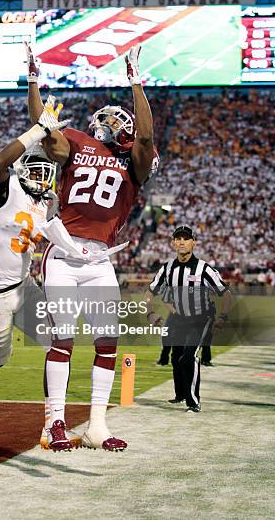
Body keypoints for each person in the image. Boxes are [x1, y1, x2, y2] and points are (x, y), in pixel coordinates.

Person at [25, 42, 158, 451]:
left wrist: (135, 79)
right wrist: (33, 81)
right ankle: (55, 424)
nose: (118, 124)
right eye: (113, 119)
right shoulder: (78, 142)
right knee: (62, 338)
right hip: (64, 253)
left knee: (107, 342)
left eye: (124, 121)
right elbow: (42, 127)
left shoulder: (134, 162)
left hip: (100, 259)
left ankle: (97, 425)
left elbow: (147, 135)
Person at [0, 101, 70, 412]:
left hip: (24, 288)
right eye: (36, 169)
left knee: (59, 343)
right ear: (20, 171)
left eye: (46, 171)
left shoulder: (44, 202)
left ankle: (53, 418)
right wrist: (39, 130)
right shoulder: (1, 192)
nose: (43, 177)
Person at [145, 225, 232, 412]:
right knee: (176, 357)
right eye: (178, 238)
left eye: (186, 238)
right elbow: (150, 292)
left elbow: (225, 293)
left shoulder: (204, 269)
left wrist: (223, 317)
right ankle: (180, 394)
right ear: (173, 243)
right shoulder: (167, 269)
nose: (182, 242)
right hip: (179, 318)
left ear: (194, 242)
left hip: (201, 318)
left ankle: (193, 402)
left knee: (189, 356)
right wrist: (150, 312)